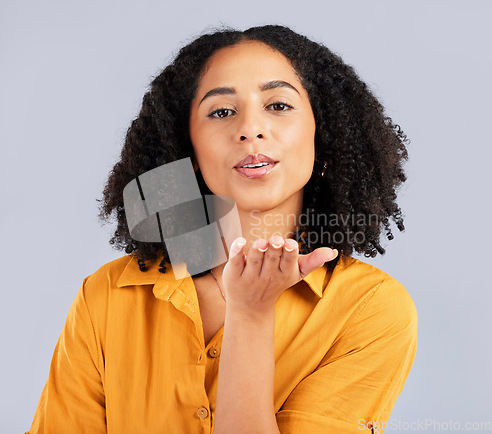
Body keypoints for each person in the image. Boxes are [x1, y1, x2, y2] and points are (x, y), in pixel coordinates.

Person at [27, 25, 417, 434]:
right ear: (188, 149)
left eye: (279, 105)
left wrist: (249, 314)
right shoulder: (105, 296)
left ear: (325, 138)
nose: (250, 129)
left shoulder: (372, 309)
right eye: (222, 112)